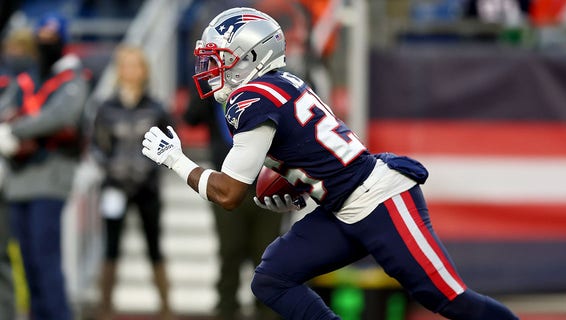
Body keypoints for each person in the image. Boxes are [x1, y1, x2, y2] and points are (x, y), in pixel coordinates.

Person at [142, 7, 519, 320]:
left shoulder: (252, 99)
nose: (210, 67)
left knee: (447, 298)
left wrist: (174, 159)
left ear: (250, 56)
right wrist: (295, 187)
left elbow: (228, 193)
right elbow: (309, 150)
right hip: (341, 204)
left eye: (219, 58)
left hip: (378, 198)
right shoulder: (283, 83)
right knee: (272, 277)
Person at [0, 13, 89, 320]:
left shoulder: (72, 78)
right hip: (18, 180)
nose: (45, 43)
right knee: (27, 263)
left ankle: (59, 315)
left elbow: (60, 116)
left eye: (52, 37)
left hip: (50, 177)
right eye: (42, 36)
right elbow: (5, 108)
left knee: (45, 259)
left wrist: (16, 129)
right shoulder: (27, 79)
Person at [183, 89, 283, 320]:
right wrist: (206, 89)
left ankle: (268, 310)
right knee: (229, 252)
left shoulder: (266, 84)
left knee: (266, 254)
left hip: (266, 184)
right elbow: (190, 118)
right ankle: (226, 309)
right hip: (224, 183)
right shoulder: (212, 88)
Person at [91, 44, 174, 320]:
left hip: (147, 187)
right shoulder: (105, 107)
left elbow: (168, 145)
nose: (130, 71)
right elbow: (97, 147)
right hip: (114, 186)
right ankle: (105, 307)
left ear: (144, 71)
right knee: (110, 246)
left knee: (154, 244)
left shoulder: (156, 107)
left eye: (135, 65)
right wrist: (112, 169)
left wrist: (145, 171)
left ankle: (165, 308)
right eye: (125, 65)